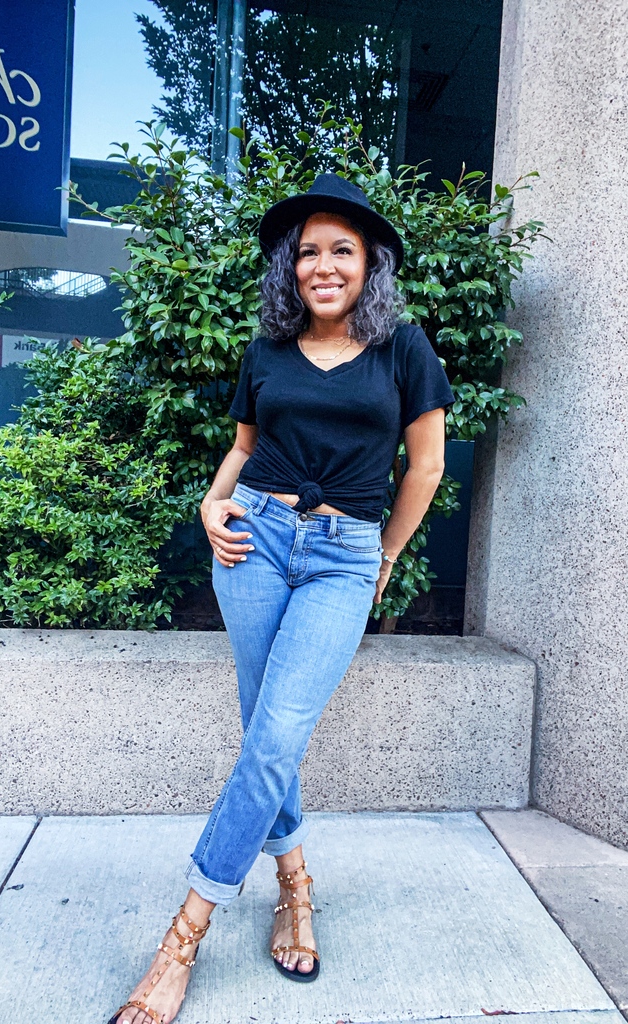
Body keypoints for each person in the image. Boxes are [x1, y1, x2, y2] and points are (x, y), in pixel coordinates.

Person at [109, 173, 454, 1024]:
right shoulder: (266, 348)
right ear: (290, 268)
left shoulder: (404, 347)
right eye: (308, 252)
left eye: (342, 250)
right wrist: (207, 502)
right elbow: (243, 450)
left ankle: (181, 939)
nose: (323, 266)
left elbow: (428, 467)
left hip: (342, 556)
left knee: (275, 738)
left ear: (369, 264)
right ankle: (294, 888)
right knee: (268, 732)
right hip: (252, 541)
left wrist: (381, 558)